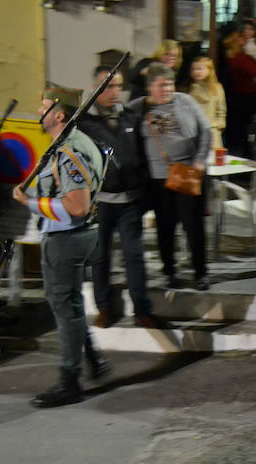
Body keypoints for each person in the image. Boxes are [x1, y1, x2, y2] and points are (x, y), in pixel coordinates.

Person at [12, 83, 105, 408]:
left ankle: (70, 380)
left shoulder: (67, 152)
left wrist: (32, 203)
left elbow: (76, 206)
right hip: (77, 236)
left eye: (44, 106)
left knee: (65, 311)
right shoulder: (76, 143)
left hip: (65, 237)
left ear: (59, 113)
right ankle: (93, 361)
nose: (39, 111)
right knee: (73, 307)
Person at [79, 65, 166, 331]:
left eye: (117, 86)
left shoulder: (131, 118)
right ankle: (104, 307)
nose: (114, 91)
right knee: (100, 257)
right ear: (95, 89)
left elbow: (143, 155)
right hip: (101, 203)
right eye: (107, 86)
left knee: (134, 256)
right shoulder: (85, 123)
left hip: (130, 201)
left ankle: (141, 309)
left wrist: (146, 195)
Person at [129, 63, 212, 291]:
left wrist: (199, 162)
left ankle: (200, 272)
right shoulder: (139, 108)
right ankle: (169, 271)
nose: (167, 89)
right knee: (164, 227)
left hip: (186, 173)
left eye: (170, 84)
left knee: (193, 227)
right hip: (157, 180)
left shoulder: (185, 101)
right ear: (150, 88)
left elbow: (206, 131)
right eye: (161, 85)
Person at [223, 31, 256, 157]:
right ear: (237, 41)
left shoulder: (227, 58)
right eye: (242, 38)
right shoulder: (242, 58)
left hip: (233, 100)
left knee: (235, 135)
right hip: (246, 99)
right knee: (245, 135)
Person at [188, 56, 227, 149]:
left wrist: (219, 125)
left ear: (209, 70)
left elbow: (221, 109)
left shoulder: (217, 88)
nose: (196, 72)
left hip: (212, 131)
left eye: (199, 69)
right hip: (195, 131)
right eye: (193, 69)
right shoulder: (192, 88)